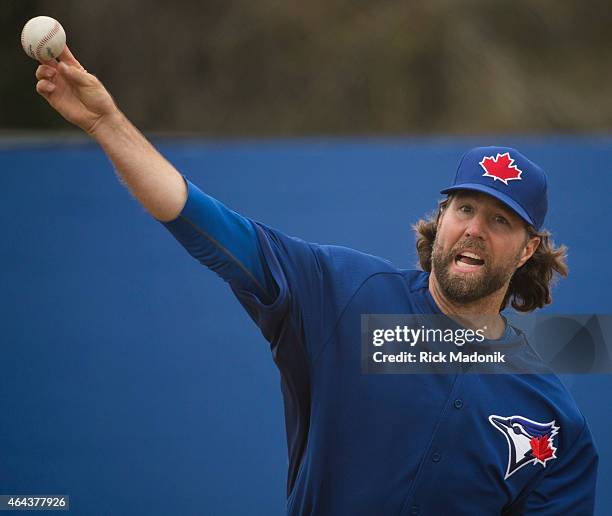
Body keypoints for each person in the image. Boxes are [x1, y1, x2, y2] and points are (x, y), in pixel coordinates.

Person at [34, 47, 598, 515]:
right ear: (441, 218)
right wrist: (107, 124)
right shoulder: (345, 293)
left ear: (528, 251)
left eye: (499, 220)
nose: (474, 230)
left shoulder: (555, 419)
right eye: (464, 209)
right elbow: (207, 224)